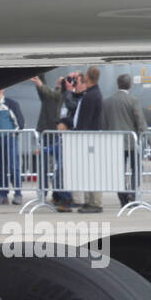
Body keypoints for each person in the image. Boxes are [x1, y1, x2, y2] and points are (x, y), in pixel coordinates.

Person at [56, 66, 105, 213]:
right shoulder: (92, 94)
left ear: (88, 79)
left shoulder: (91, 96)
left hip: (87, 138)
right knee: (89, 172)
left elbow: (85, 120)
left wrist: (77, 133)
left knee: (92, 172)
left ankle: (95, 203)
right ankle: (91, 202)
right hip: (87, 137)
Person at [103, 73, 146, 206]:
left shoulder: (107, 101)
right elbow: (140, 122)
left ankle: (122, 197)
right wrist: (144, 135)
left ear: (118, 84)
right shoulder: (133, 101)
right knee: (137, 168)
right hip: (132, 142)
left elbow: (104, 123)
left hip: (115, 143)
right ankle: (132, 193)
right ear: (130, 85)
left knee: (119, 172)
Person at [0, 90, 25, 204]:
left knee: (13, 167)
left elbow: (20, 123)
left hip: (10, 139)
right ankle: (3, 195)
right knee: (0, 168)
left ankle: (18, 194)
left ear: (3, 90)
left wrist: (13, 134)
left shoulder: (11, 104)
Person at [32, 74, 66, 205]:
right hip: (46, 132)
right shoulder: (50, 96)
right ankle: (43, 193)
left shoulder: (60, 97)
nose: (58, 83)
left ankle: (57, 194)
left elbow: (48, 92)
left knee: (56, 166)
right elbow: (45, 92)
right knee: (44, 166)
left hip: (54, 134)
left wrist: (40, 83)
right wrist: (40, 79)